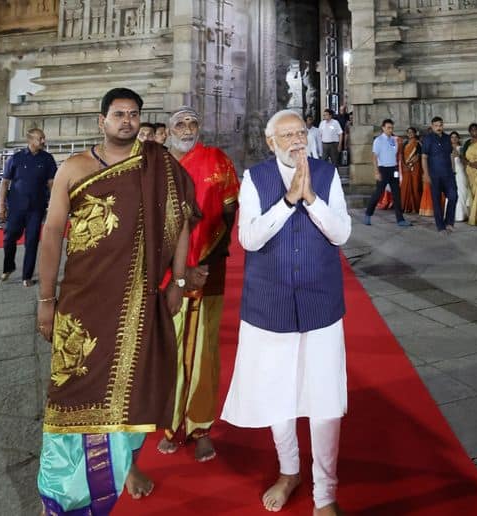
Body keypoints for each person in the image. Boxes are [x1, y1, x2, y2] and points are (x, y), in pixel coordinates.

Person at [35, 88, 197, 514]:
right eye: (119, 114)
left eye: (134, 114)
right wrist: (45, 298)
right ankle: (65, 493)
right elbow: (52, 233)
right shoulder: (75, 167)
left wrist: (178, 280)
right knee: (72, 389)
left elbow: (181, 222)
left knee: (133, 386)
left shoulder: (159, 164)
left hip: (138, 302)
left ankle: (125, 466)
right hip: (82, 299)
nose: (127, 120)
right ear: (101, 121)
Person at [221, 109, 351, 516]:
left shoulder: (327, 176)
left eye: (300, 133)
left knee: (324, 397)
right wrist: (288, 199)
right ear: (270, 140)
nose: (296, 140)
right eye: (286, 135)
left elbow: (342, 233)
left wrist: (310, 198)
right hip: (270, 302)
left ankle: (325, 493)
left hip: (320, 300)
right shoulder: (254, 178)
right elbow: (249, 238)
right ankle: (289, 469)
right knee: (279, 392)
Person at [156, 107, 240, 461]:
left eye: (192, 122)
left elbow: (229, 211)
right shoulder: (155, 168)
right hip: (163, 275)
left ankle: (201, 426)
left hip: (208, 270)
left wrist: (207, 261)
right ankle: (169, 424)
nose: (187, 128)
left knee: (204, 350)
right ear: (168, 129)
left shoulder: (216, 160)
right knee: (167, 349)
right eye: (180, 123)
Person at [0, 128, 57, 287]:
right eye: (40, 138)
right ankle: (8, 267)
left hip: (36, 207)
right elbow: (5, 182)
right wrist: (1, 205)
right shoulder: (16, 158)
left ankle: (27, 276)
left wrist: (54, 203)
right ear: (30, 140)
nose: (43, 141)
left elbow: (51, 183)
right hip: (16, 206)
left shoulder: (47, 159)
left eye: (43, 138)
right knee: (9, 237)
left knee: (31, 241)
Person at [365, 119, 411, 226]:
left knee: (396, 194)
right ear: (383, 128)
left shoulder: (394, 140)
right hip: (383, 169)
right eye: (388, 128)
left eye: (392, 128)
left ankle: (400, 219)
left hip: (393, 169)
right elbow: (374, 157)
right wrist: (376, 172)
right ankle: (368, 214)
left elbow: (396, 153)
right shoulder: (378, 140)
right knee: (378, 193)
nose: (390, 130)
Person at [420, 116, 457, 232]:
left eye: (440, 125)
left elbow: (451, 155)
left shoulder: (447, 138)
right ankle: (440, 226)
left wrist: (453, 170)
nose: (438, 128)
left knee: (453, 196)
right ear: (432, 126)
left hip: (448, 174)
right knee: (436, 201)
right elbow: (424, 157)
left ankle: (449, 222)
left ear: (443, 125)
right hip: (434, 175)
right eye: (436, 126)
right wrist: (426, 174)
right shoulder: (428, 139)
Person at [400, 127, 423, 213]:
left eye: (411, 132)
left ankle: (415, 207)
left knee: (415, 186)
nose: (410, 134)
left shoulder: (418, 144)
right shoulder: (405, 143)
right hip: (406, 168)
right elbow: (402, 155)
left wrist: (411, 163)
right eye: (408, 132)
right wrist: (405, 165)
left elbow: (419, 155)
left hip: (415, 167)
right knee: (405, 186)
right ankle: (406, 206)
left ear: (414, 133)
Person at [451, 131, 469, 222]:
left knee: (461, 191)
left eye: (455, 137)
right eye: (452, 137)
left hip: (461, 171)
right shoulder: (447, 149)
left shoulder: (461, 148)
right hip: (451, 173)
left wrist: (459, 155)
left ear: (458, 138)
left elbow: (465, 161)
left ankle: (462, 214)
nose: (454, 139)